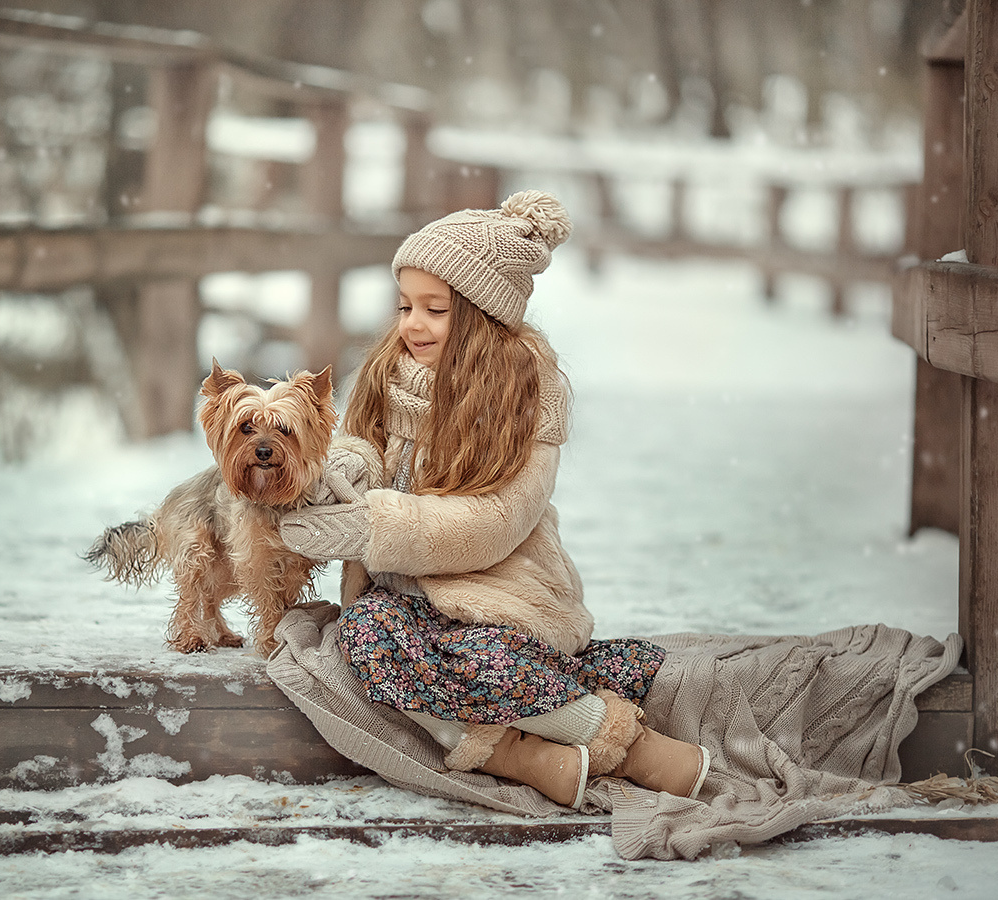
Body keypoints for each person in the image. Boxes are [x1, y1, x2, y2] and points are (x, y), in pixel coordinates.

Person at [279, 190, 709, 809]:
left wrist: (373, 525)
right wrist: (343, 472)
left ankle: (624, 743)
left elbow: (496, 523)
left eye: (435, 309)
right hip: (400, 599)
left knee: (484, 657)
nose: (411, 325)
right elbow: (360, 445)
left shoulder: (527, 393)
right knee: (364, 641)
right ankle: (517, 752)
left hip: (498, 591)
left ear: (482, 315)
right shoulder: (383, 375)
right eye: (404, 306)